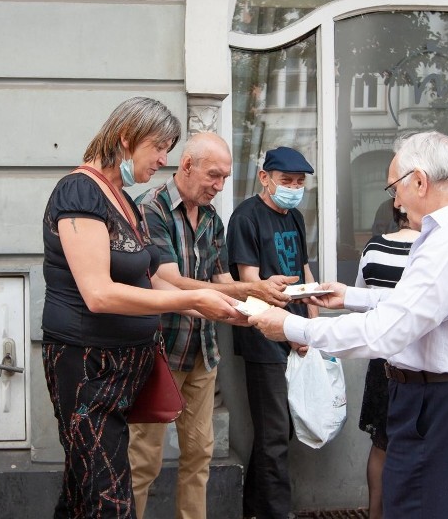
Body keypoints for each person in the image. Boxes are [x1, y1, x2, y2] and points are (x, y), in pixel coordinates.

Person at [248, 131, 448, 519]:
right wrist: (352, 296)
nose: (394, 200)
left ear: (419, 180)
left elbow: (388, 330)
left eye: (395, 187)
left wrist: (291, 327)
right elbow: (430, 307)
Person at [41, 98, 244, 519]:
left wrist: (221, 304)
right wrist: (192, 298)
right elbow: (99, 294)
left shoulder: (124, 201)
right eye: (159, 148)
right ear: (125, 138)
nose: (163, 160)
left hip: (120, 373)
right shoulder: (80, 190)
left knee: (84, 492)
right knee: (110, 500)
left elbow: (149, 279)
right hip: (87, 368)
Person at [128, 133, 295, 519]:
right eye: (214, 176)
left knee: (200, 454)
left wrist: (257, 304)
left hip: (203, 351)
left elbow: (219, 281)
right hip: (159, 352)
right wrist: (253, 286)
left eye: (225, 178)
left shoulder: (212, 219)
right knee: (144, 460)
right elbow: (171, 281)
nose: (220, 187)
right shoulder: (151, 209)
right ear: (187, 166)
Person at [227, 146, 318, 519]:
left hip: (297, 334)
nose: (294, 188)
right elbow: (249, 283)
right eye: (287, 181)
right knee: (274, 433)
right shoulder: (246, 218)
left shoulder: (294, 216)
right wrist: (288, 329)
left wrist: (312, 329)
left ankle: (256, 510)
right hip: (264, 335)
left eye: (299, 182)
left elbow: (306, 272)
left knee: (280, 433)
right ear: (264, 178)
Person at [354, 202, 419, 519]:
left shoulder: (374, 248)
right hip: (425, 363)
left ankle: (375, 513)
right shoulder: (437, 247)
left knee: (382, 443)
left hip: (383, 359)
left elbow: (359, 301)